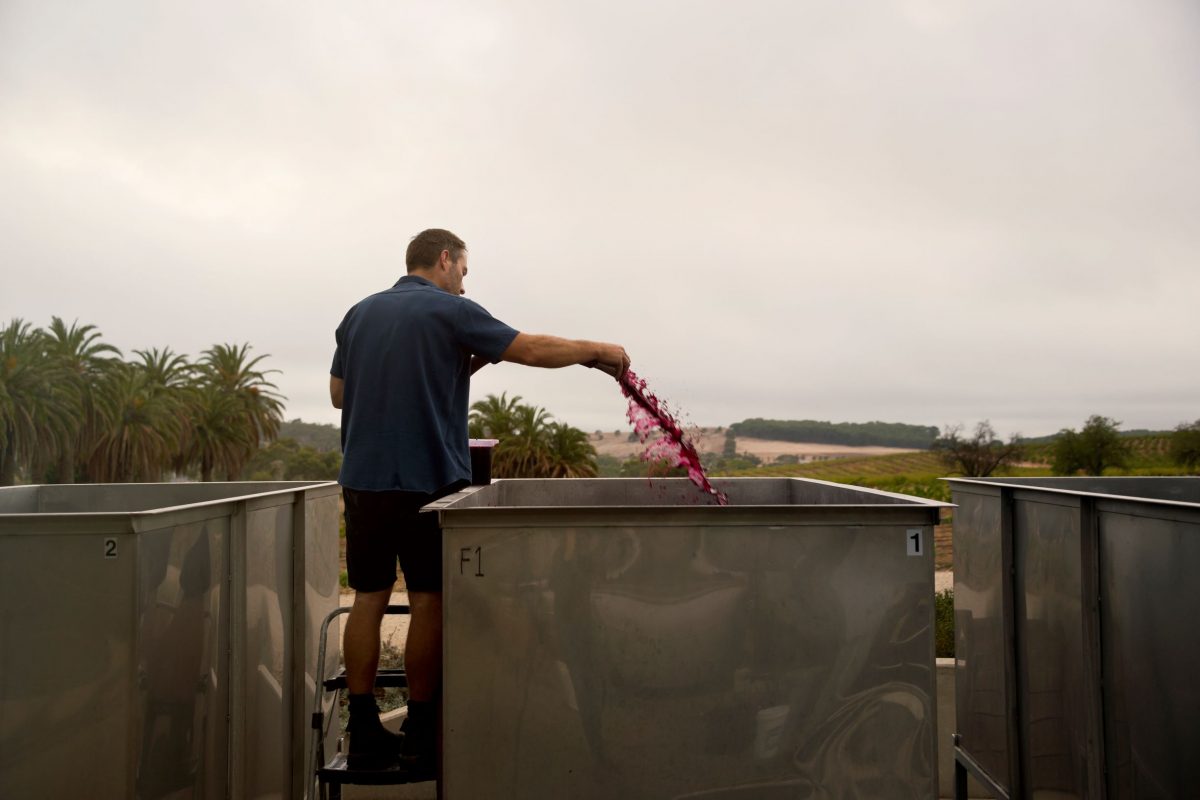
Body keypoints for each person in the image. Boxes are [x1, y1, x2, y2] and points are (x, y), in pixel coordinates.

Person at [329, 228, 629, 778]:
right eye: (463, 271)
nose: (463, 283)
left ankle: (364, 727)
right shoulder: (451, 311)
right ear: (446, 260)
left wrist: (455, 367)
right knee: (426, 602)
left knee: (368, 599)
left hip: (363, 481)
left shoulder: (359, 314)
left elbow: (340, 396)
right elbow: (532, 349)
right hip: (428, 482)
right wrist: (597, 351)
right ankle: (420, 729)